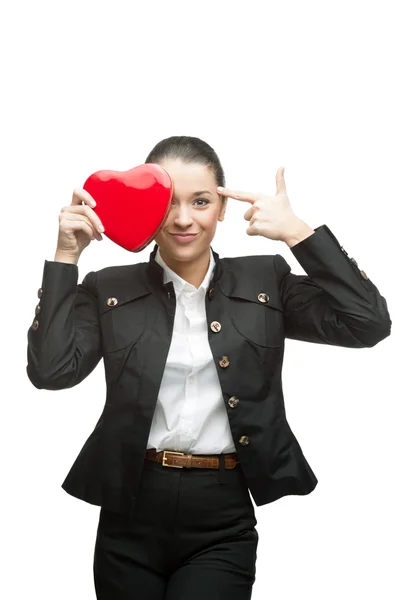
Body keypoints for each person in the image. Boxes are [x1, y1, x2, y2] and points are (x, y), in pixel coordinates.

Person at [26, 136, 391, 600]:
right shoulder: (108, 288)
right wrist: (65, 257)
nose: (182, 219)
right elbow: (51, 371)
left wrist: (298, 232)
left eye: (200, 202)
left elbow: (368, 324)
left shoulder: (267, 281)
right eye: (167, 203)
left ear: (221, 208)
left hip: (221, 518)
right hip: (129, 517)